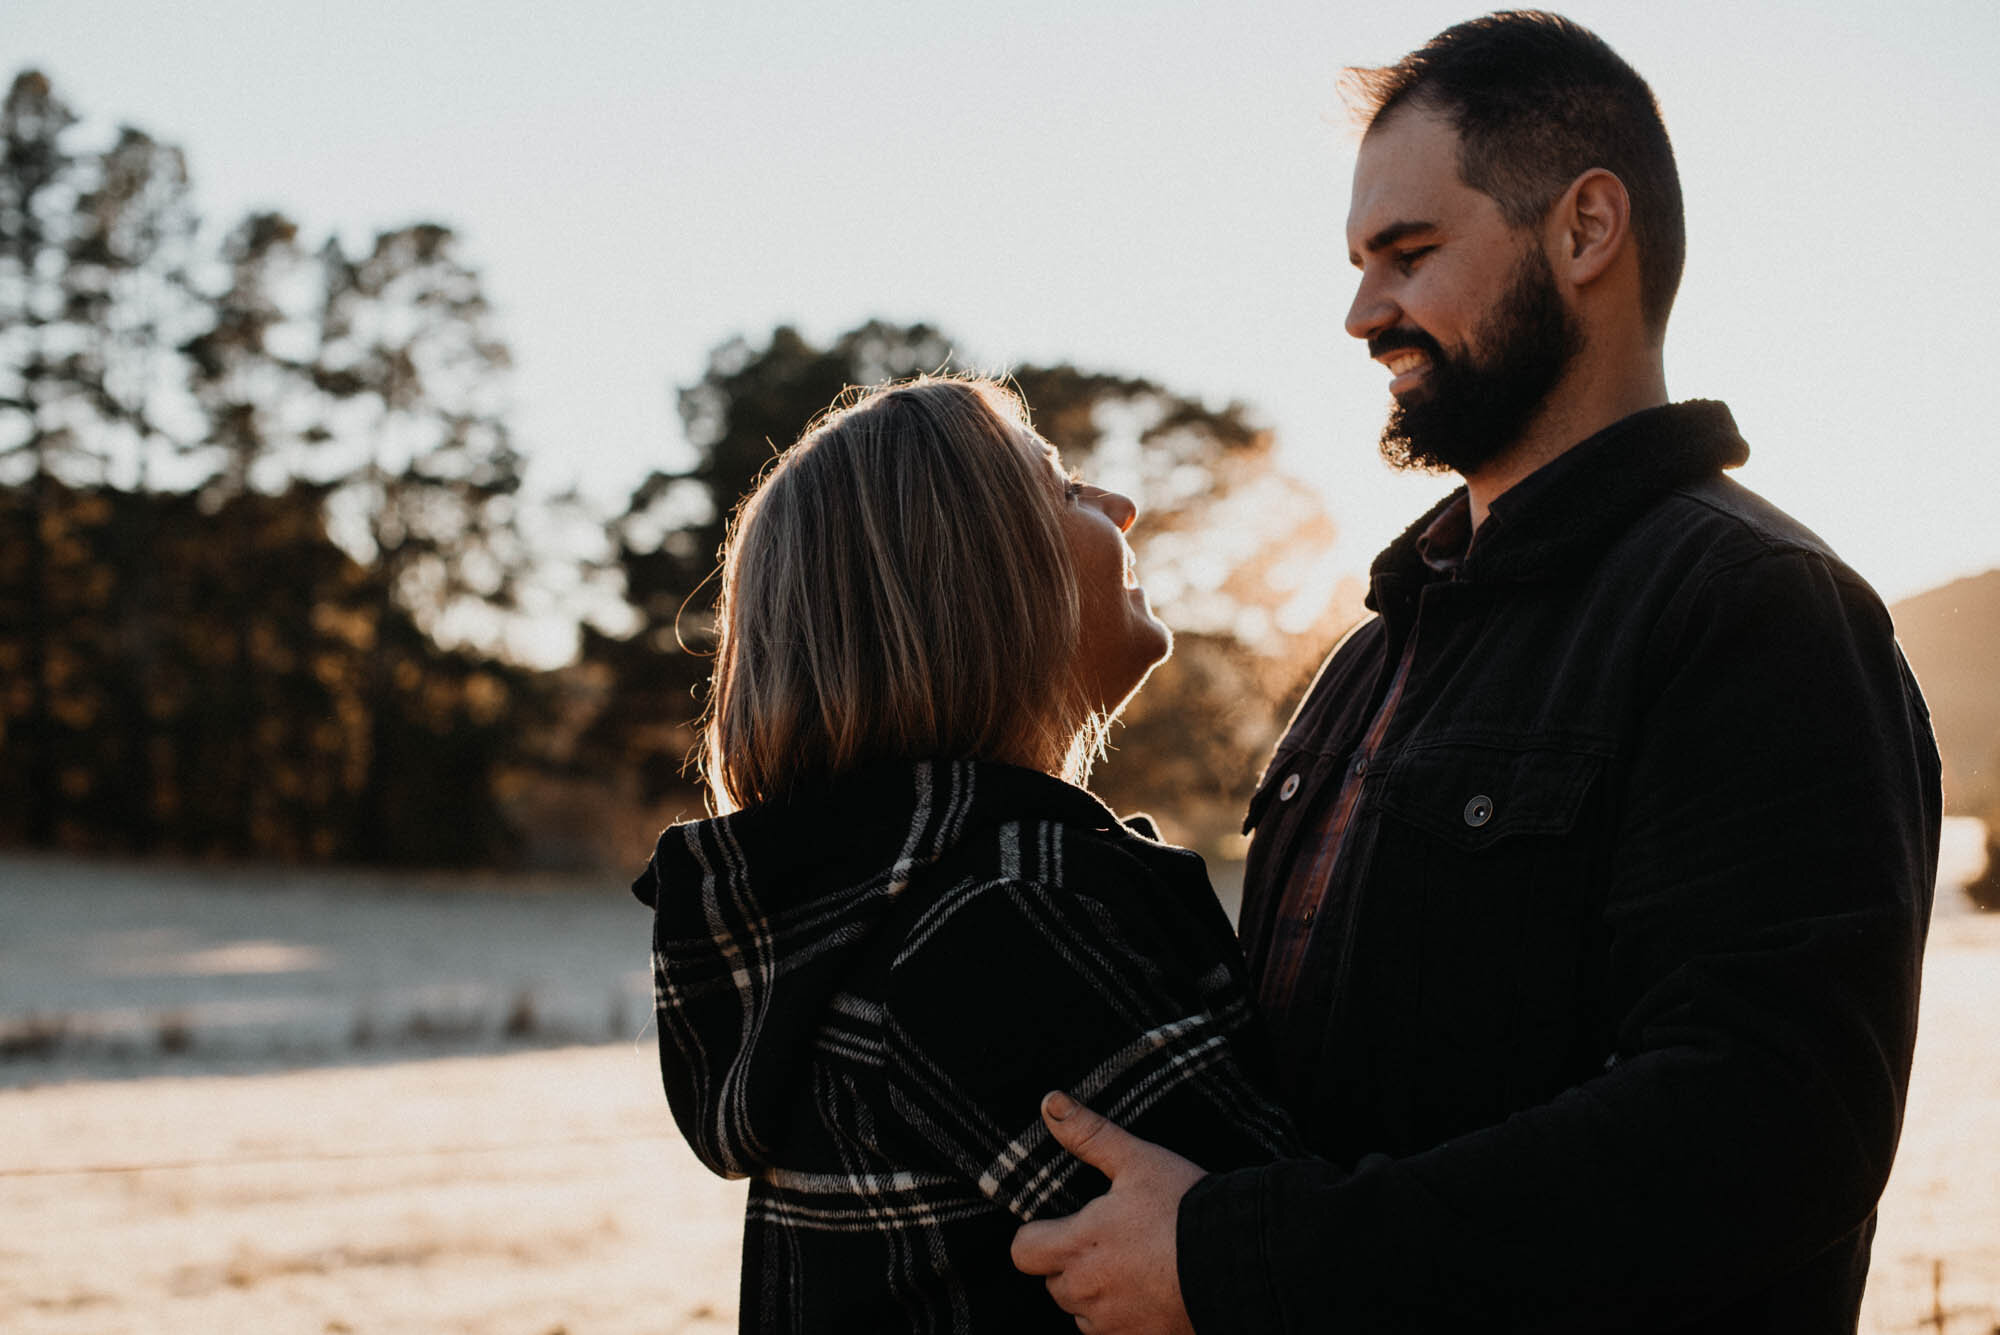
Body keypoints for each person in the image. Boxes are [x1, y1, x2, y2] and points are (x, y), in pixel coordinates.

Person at [1011, 12, 1942, 1333]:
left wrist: (1241, 1255)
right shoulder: (1374, 653)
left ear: (1584, 231)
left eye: (1408, 252)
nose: (1360, 312)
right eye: (1357, 263)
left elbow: (1765, 1131)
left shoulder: (1754, 606)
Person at [631, 376, 1303, 1332]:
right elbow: (1291, 1268)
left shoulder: (892, 907)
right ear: (976, 583)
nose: (1121, 505)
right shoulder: (1006, 919)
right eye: (1065, 490)